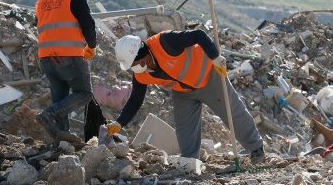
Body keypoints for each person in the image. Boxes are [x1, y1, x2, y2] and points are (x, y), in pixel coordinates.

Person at [106, 30, 265, 163]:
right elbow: (135, 100)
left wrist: (215, 57)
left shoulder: (166, 42)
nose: (134, 68)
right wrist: (120, 123)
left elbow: (199, 35)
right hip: (183, 92)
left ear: (143, 53)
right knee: (184, 130)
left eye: (134, 63)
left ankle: (256, 149)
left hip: (209, 77)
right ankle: (190, 164)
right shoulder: (140, 74)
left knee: (232, 112)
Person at [35, 0, 100, 137]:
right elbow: (88, 26)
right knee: (84, 93)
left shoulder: (42, 1)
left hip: (46, 58)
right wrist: (92, 46)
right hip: (68, 55)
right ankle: (50, 114)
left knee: (60, 99)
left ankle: (62, 140)